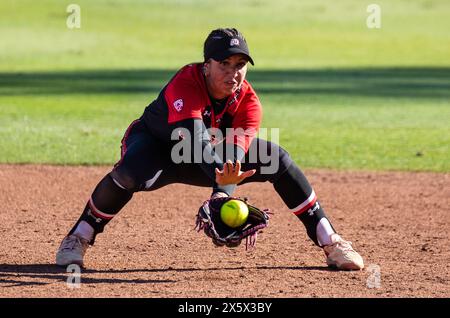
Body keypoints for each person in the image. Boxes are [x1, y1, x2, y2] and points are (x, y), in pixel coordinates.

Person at [56, 28, 364, 270]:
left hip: (209, 156)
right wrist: (222, 189)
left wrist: (223, 193)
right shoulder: (186, 82)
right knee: (129, 173)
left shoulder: (248, 101)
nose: (234, 72)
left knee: (278, 159)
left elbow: (235, 151)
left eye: (241, 64)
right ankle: (79, 236)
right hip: (159, 147)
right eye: (225, 63)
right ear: (207, 65)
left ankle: (332, 242)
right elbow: (195, 139)